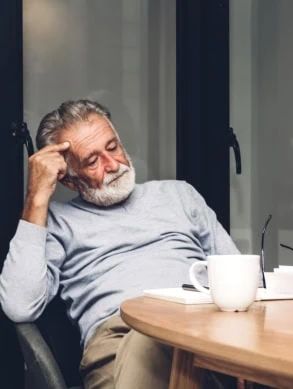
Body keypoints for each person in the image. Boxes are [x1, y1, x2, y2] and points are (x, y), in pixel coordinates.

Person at [0, 99, 240, 388]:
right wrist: (37, 197)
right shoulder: (56, 223)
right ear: (70, 181)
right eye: (92, 161)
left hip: (203, 332)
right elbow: (19, 305)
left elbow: (238, 277)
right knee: (148, 342)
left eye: (112, 147)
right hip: (122, 339)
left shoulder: (178, 195)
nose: (113, 165)